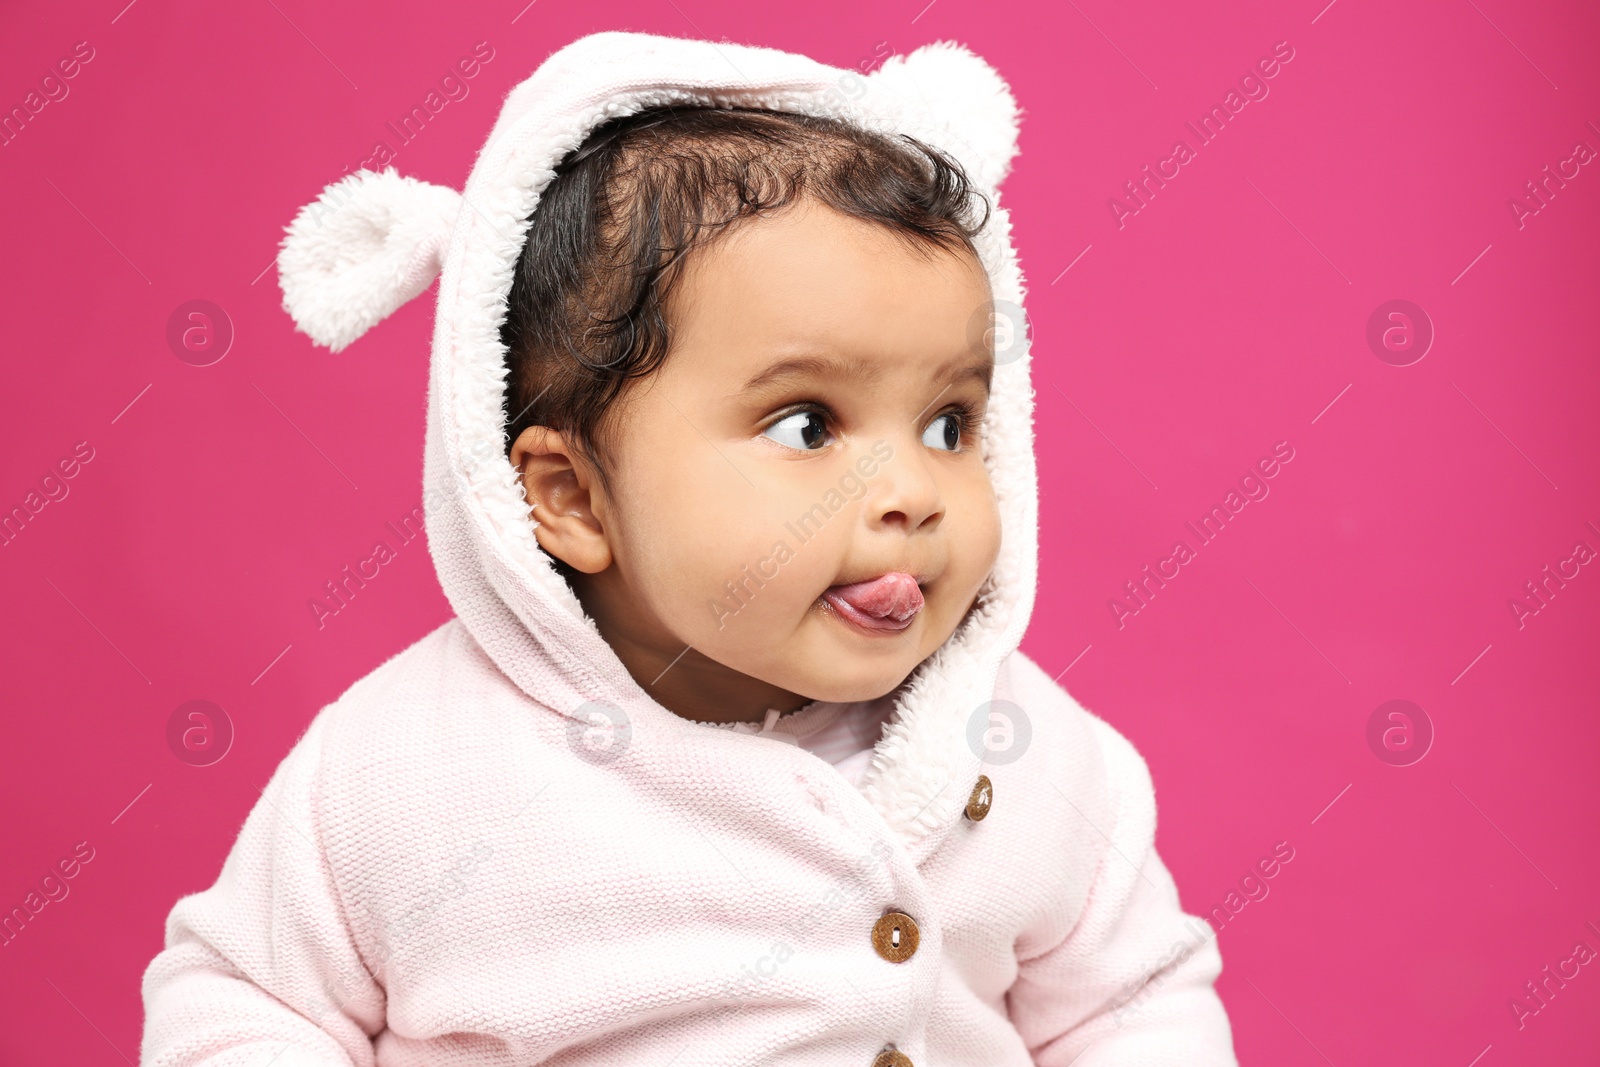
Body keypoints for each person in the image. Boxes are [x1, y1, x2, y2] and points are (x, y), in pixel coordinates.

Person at [139, 30, 1237, 1066]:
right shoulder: (404, 771)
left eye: (949, 422)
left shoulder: (1023, 747)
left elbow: (1132, 1005)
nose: (911, 490)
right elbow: (244, 1000)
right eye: (806, 424)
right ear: (571, 498)